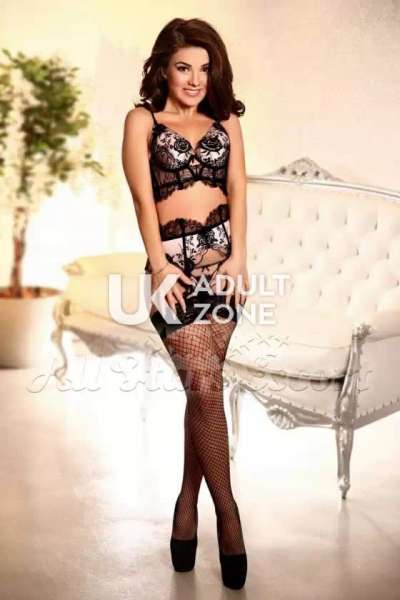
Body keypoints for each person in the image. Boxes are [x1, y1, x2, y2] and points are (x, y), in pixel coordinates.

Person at [122, 17, 249, 590]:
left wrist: (239, 259)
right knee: (205, 384)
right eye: (183, 68)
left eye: (204, 68)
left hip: (222, 274)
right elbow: (142, 200)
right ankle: (229, 515)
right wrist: (158, 267)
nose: (195, 79)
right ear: (163, 69)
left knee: (202, 390)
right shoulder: (143, 122)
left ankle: (186, 504)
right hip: (171, 276)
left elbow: (238, 188)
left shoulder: (226, 121)